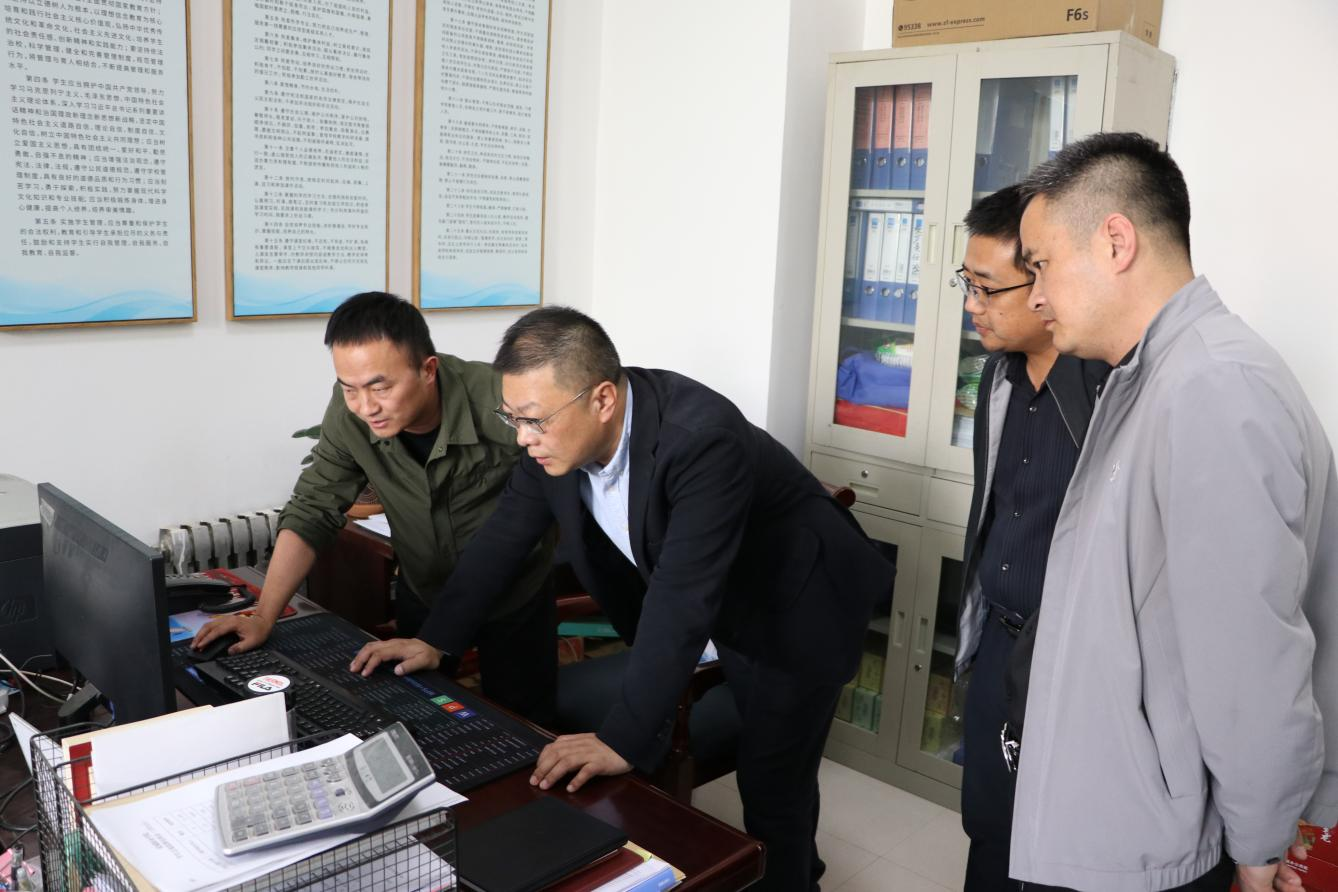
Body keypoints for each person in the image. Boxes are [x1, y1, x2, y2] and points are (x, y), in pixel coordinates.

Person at [349, 306, 896, 891]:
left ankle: (794, 882)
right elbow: (505, 536)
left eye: (533, 420)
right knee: (767, 769)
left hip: (799, 602)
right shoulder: (557, 438)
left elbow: (682, 596)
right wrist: (436, 639)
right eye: (512, 418)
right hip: (725, 597)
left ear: (603, 400)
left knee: (772, 785)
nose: (522, 437)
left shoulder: (701, 439)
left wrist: (622, 739)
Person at [1009, 131, 1338, 891]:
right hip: (1121, 821)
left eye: (1042, 264)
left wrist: (1258, 850)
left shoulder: (1212, 387)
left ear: (1115, 241)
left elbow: (1249, 657)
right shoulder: (1153, 377)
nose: (1036, 296)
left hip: (1158, 849)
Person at [192, 292, 556, 723]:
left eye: (381, 387)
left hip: (513, 595)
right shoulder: (352, 413)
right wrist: (263, 616)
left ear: (428, 370)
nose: (366, 407)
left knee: (522, 725)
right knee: (422, 716)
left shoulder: (499, 400)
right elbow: (314, 507)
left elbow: (555, 481)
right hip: (425, 589)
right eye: (350, 388)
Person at [951, 184, 1108, 890]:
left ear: (1044, 279)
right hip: (1000, 646)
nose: (972, 305)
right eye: (967, 283)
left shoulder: (1108, 387)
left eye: (987, 288)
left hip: (1072, 662)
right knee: (988, 825)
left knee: (1057, 846)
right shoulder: (997, 376)